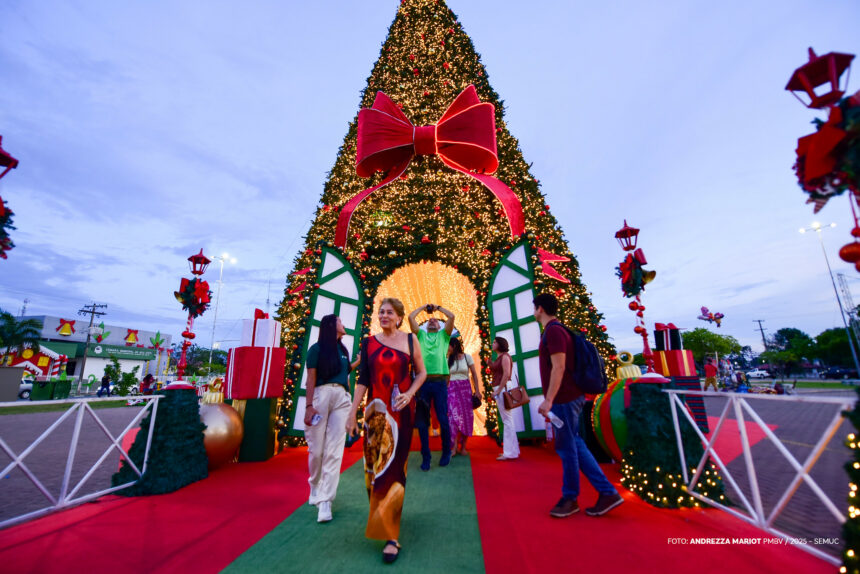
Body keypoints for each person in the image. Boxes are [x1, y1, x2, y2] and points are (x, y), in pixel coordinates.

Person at [346, 297, 426, 564]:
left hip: (401, 415)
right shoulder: (369, 343)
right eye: (381, 312)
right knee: (371, 471)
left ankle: (391, 536)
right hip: (374, 415)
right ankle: (380, 515)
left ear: (400, 317)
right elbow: (363, 381)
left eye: (389, 312)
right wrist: (352, 414)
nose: (384, 316)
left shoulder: (411, 341)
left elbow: (422, 373)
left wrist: (411, 393)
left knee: (393, 471)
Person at [534, 293, 623, 518]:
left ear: (540, 309)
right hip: (570, 397)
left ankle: (570, 498)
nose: (533, 312)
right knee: (575, 444)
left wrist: (549, 399)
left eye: (534, 308)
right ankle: (607, 492)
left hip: (564, 399)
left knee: (566, 449)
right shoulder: (560, 330)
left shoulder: (553, 331)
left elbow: (559, 367)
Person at [304, 314, 354, 523]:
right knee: (317, 450)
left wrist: (352, 407)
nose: (344, 324)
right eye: (341, 321)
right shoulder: (316, 350)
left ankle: (325, 502)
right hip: (321, 396)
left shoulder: (343, 351)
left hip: (342, 397)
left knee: (334, 451)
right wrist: (308, 406)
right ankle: (314, 483)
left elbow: (346, 375)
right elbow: (311, 379)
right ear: (332, 326)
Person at [408, 303, 455, 471]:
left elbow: (452, 317)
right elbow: (411, 318)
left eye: (435, 321)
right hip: (423, 383)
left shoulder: (444, 336)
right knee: (422, 421)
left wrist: (438, 308)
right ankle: (425, 456)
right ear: (426, 326)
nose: (433, 321)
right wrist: (422, 307)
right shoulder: (420, 335)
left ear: (440, 326)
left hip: (440, 382)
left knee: (442, 418)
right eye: (430, 321)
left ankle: (446, 452)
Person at [446, 337, 481, 456]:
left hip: (465, 389)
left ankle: (464, 447)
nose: (447, 348)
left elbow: (474, 375)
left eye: (448, 345)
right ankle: (454, 447)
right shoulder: (448, 359)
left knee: (466, 418)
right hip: (452, 390)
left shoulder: (467, 357)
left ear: (454, 346)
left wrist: (477, 390)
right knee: (453, 419)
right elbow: (446, 378)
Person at [490, 336, 519, 461]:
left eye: (495, 342)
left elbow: (506, 374)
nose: (492, 343)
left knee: (507, 420)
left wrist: (498, 390)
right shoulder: (499, 357)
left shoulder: (505, 357)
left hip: (503, 388)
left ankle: (509, 453)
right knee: (507, 420)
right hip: (501, 388)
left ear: (500, 344)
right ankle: (512, 451)